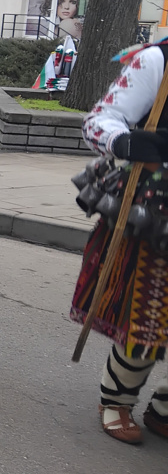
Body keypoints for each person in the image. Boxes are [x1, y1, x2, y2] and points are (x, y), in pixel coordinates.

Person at [73, 37, 168, 444]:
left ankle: (164, 408)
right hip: (159, 210)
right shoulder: (157, 60)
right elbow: (99, 120)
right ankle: (117, 400)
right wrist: (125, 142)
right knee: (150, 308)